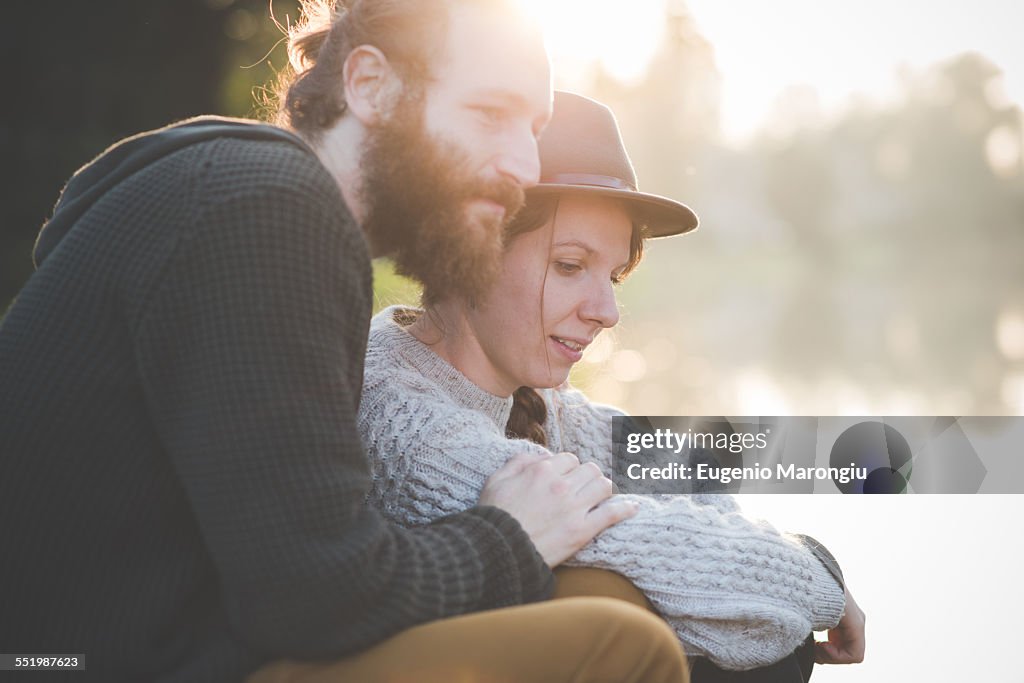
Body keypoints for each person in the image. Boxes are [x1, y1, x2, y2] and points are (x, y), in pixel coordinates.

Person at [0, 2, 691, 682]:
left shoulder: (262, 200)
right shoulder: (266, 209)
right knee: (623, 643)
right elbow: (316, 596)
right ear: (370, 86)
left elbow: (304, 561)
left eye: (533, 128)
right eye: (490, 114)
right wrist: (507, 537)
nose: (523, 163)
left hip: (188, 638)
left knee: (598, 596)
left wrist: (770, 460)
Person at [359, 91, 867, 680]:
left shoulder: (530, 398)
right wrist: (819, 580)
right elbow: (689, 563)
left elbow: (683, 468)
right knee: (645, 604)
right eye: (570, 266)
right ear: (467, 250)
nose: (607, 311)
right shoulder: (405, 422)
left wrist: (802, 556)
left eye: (615, 275)